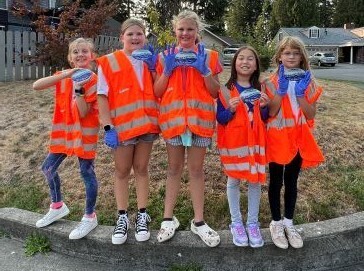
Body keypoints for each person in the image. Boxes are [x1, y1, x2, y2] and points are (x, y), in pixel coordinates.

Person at [154, 10, 222, 247]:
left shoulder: (211, 55)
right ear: (175, 31)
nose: (185, 33)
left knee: (196, 170)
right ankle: (167, 219)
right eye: (181, 29)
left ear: (197, 32)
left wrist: (205, 71)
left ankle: (199, 222)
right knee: (173, 169)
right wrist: (166, 70)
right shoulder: (164, 56)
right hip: (173, 122)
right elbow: (158, 92)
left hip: (200, 122)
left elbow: (215, 92)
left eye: (190, 29)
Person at [96, 18, 160, 245]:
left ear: (144, 37)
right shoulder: (109, 62)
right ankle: (122, 217)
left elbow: (158, 90)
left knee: (141, 169)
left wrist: (155, 68)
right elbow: (102, 96)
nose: (135, 38)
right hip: (122, 128)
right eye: (130, 34)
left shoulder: (149, 61)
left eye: (139, 34)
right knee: (122, 171)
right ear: (122, 37)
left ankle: (142, 214)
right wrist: (107, 127)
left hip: (147, 125)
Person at [33, 38, 99, 240]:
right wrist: (69, 74)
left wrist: (79, 87)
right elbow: (37, 85)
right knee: (48, 168)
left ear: (92, 56)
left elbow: (83, 111)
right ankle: (57, 206)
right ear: (70, 58)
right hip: (64, 134)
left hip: (84, 134)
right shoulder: (64, 75)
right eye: (75, 52)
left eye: (84, 51)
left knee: (86, 172)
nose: (80, 55)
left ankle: (90, 216)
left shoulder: (93, 79)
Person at [262, 36, 325, 249]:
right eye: (287, 53)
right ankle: (276, 223)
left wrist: (300, 95)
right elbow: (271, 111)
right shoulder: (270, 81)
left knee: (291, 182)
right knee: (276, 182)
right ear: (279, 56)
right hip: (277, 139)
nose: (291, 57)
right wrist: (280, 91)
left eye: (296, 53)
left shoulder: (308, 81)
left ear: (301, 57)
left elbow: (309, 114)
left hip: (299, 140)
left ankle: (289, 222)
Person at [216, 46, 269, 248]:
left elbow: (265, 118)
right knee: (234, 181)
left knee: (255, 182)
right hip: (234, 145)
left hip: (255, 144)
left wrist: (264, 107)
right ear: (234, 63)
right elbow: (220, 119)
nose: (245, 62)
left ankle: (252, 223)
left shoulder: (261, 90)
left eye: (250, 59)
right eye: (241, 58)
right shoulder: (225, 90)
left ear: (256, 65)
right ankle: (236, 222)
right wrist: (230, 108)